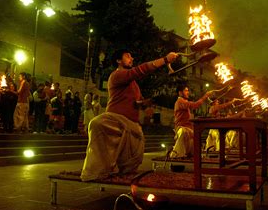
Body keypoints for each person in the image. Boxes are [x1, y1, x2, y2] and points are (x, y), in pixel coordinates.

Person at [80, 49, 178, 181]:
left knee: (132, 164)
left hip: (132, 125)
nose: (131, 58)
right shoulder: (116, 75)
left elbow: (138, 103)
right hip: (115, 120)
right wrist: (165, 60)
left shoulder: (134, 85)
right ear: (118, 61)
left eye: (132, 56)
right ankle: (94, 173)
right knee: (97, 123)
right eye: (127, 56)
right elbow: (139, 71)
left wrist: (146, 103)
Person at [170, 85, 213, 158]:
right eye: (186, 90)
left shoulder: (184, 102)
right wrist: (205, 96)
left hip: (189, 128)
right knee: (184, 132)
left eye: (188, 90)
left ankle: (192, 154)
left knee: (194, 135)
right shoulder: (180, 101)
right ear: (180, 93)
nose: (188, 92)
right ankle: (176, 155)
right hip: (181, 128)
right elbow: (195, 105)